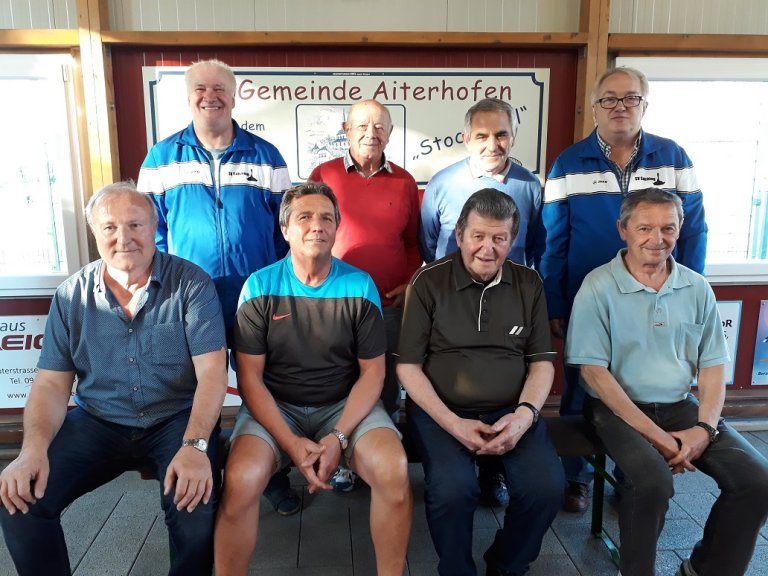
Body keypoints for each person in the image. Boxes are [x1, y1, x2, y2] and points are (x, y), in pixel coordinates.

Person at [0, 182, 228, 576]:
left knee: (195, 505)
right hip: (98, 421)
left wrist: (194, 445)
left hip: (175, 420)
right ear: (95, 233)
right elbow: (52, 385)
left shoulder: (191, 284)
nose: (124, 238)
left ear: (154, 226)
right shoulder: (71, 296)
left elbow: (212, 374)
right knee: (20, 500)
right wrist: (31, 450)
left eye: (135, 225)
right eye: (109, 228)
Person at [566, 188, 768, 576]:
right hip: (617, 409)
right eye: (644, 228)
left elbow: (712, 369)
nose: (656, 239)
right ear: (622, 229)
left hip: (679, 406)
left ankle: (704, 569)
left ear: (679, 230)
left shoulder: (696, 287)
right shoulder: (598, 286)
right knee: (652, 483)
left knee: (757, 481)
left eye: (668, 228)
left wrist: (704, 429)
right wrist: (658, 437)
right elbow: (594, 374)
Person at [214, 182, 412, 576]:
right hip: (276, 409)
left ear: (338, 227)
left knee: (394, 469)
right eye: (304, 217)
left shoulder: (360, 285)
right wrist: (290, 442)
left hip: (345, 407)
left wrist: (338, 437)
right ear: (285, 229)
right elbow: (249, 378)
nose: (316, 226)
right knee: (241, 478)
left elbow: (374, 373)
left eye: (326, 218)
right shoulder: (259, 287)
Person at [536, 66, 708, 512]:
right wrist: (555, 301)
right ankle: (574, 477)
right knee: (582, 387)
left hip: (659, 296)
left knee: (645, 383)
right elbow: (553, 242)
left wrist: (687, 292)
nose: (620, 107)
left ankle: (635, 473)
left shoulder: (675, 158)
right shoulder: (567, 163)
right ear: (595, 107)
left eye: (630, 98)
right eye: (609, 99)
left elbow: (693, 233)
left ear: (644, 106)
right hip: (586, 299)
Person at [137, 59, 299, 516]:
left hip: (256, 298)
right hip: (190, 300)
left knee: (267, 385)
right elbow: (153, 233)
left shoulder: (266, 155)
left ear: (234, 94)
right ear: (189, 96)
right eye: (201, 89)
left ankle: (274, 474)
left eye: (219, 89)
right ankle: (197, 470)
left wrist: (277, 284)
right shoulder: (161, 157)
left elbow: (284, 232)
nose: (211, 96)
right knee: (193, 388)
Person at [397, 189, 564, 576]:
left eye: (499, 238)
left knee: (545, 488)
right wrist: (453, 424)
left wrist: (523, 416)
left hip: (512, 409)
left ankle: (507, 565)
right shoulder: (428, 281)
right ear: (459, 235)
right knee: (454, 491)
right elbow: (407, 367)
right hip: (442, 410)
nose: (487, 248)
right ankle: (456, 570)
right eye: (478, 236)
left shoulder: (528, 283)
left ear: (512, 240)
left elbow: (541, 363)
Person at [419, 97, 543, 508]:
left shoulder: (529, 185)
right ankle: (449, 469)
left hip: (505, 305)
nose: (493, 143)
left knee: (499, 387)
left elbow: (536, 245)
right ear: (466, 138)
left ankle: (494, 474)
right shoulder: (442, 183)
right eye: (483, 135)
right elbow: (427, 239)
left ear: (514, 136)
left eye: (502, 134)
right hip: (449, 303)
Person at [308, 99, 421, 491]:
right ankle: (339, 457)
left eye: (379, 127)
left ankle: (376, 457)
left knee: (384, 383)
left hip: (386, 305)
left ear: (390, 133)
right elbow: (307, 233)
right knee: (340, 381)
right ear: (346, 129)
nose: (370, 133)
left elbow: (412, 244)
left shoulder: (405, 181)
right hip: (332, 304)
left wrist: (410, 281)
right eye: (361, 125)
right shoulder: (322, 175)